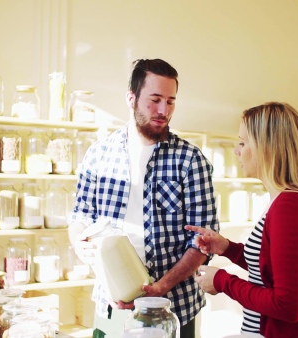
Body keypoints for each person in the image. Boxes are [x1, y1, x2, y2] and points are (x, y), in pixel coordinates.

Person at [68, 58, 220, 338]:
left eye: (171, 101)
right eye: (155, 99)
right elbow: (80, 216)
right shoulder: (99, 155)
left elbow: (204, 242)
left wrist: (162, 285)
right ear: (132, 98)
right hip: (111, 304)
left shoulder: (190, 160)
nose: (164, 110)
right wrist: (78, 241)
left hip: (174, 308)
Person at [186, 102, 298, 337]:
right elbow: (275, 270)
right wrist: (228, 248)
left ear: (267, 148)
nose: (237, 151)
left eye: (243, 143)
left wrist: (223, 281)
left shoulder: (289, 208)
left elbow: (287, 305)